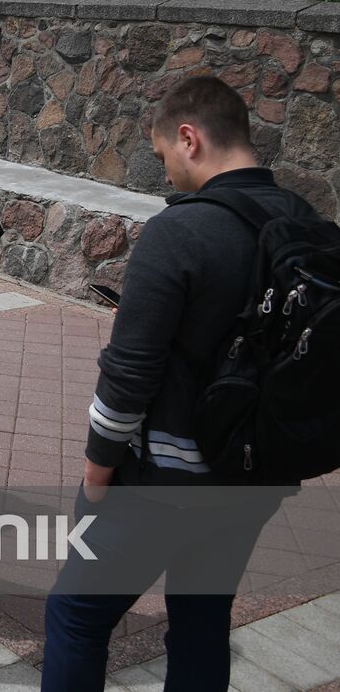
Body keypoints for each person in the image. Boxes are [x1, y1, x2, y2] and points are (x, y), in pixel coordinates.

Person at [42, 76, 326, 691]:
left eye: (164, 155)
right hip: (256, 474)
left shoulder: (179, 231)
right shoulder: (304, 224)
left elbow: (130, 373)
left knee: (76, 616)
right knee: (200, 622)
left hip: (162, 482)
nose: (166, 172)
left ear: (190, 138)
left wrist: (96, 474)